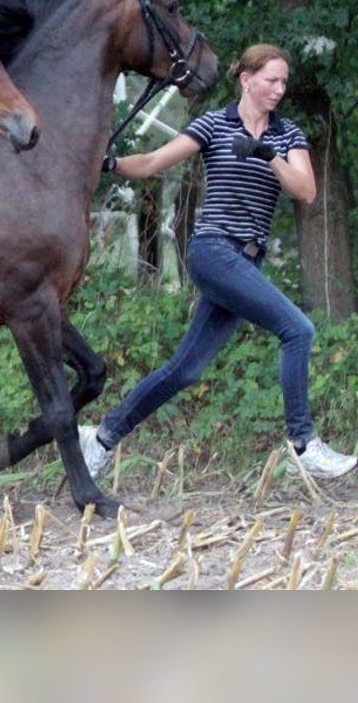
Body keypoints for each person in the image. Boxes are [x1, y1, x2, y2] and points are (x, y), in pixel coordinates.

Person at [82, 43, 356, 481]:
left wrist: (268, 154)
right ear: (247, 80)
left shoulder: (287, 135)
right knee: (298, 330)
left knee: (185, 370)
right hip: (213, 251)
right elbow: (154, 161)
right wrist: (108, 163)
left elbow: (305, 191)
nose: (279, 89)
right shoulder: (214, 124)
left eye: (284, 81)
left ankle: (99, 439)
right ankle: (303, 445)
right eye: (271, 80)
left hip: (246, 263)